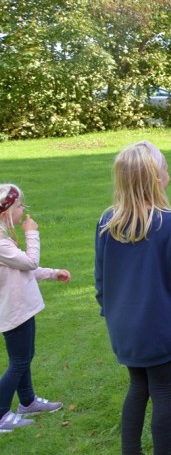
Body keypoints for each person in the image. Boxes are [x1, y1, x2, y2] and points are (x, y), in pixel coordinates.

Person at [95, 141, 171, 455]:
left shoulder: (108, 222)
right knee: (162, 391)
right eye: (165, 168)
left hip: (123, 328)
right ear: (156, 179)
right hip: (159, 328)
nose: (169, 173)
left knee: (138, 386)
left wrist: (110, 312)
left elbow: (101, 281)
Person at [0, 184, 70, 434]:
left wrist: (53, 273)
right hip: (14, 312)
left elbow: (24, 269)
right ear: (5, 213)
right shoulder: (1, 244)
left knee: (25, 357)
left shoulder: (5, 240)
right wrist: (32, 233)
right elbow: (30, 262)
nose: (23, 210)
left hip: (22, 309)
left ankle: (28, 402)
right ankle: (1, 414)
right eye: (19, 206)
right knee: (19, 361)